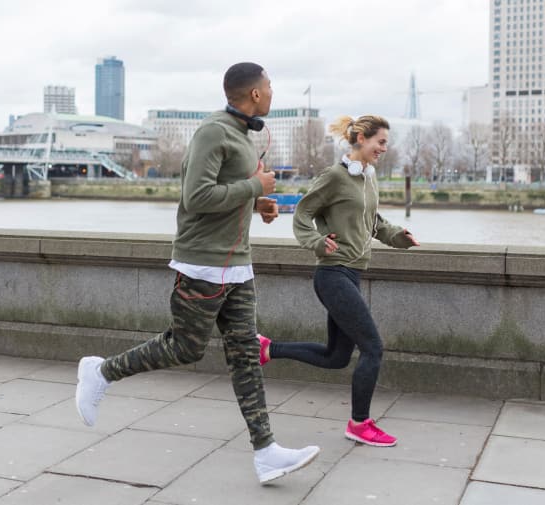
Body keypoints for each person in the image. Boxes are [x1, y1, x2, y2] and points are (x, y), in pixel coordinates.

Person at [75, 62, 320, 484]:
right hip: (202, 262)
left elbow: (229, 194)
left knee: (245, 356)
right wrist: (256, 188)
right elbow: (198, 196)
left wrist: (258, 204)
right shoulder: (214, 131)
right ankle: (100, 371)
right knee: (185, 348)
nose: (273, 91)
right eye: (270, 86)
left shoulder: (244, 135)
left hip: (237, 266)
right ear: (256, 94)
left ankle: (266, 453)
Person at [258, 115, 420, 447]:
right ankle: (360, 423)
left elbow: (373, 222)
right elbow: (303, 212)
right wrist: (317, 241)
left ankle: (267, 348)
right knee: (373, 348)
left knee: (337, 357)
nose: (384, 149)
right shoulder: (334, 176)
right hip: (332, 274)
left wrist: (399, 236)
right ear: (361, 138)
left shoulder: (368, 180)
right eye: (381, 142)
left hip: (351, 274)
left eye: (386, 143)